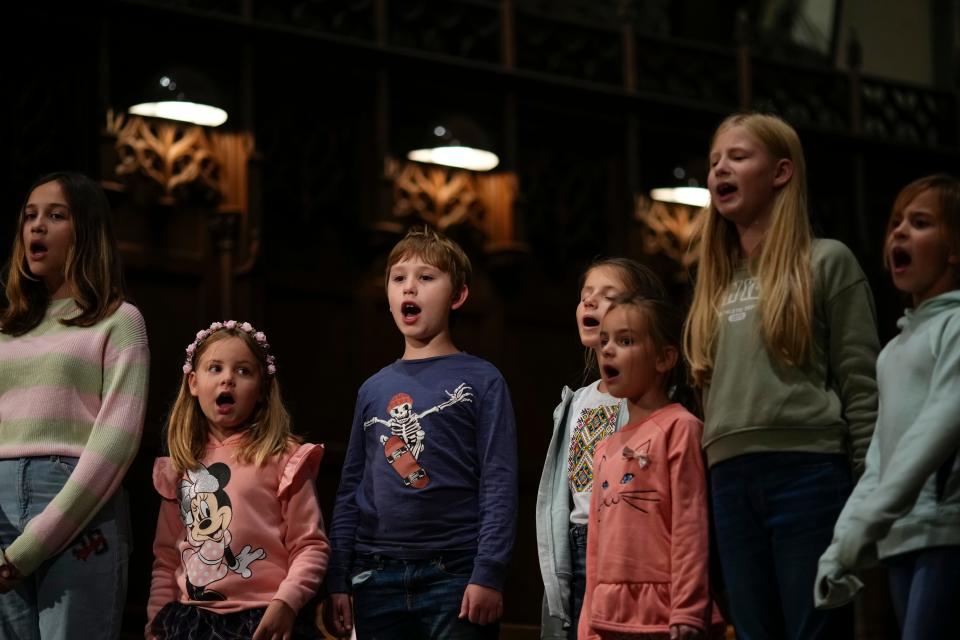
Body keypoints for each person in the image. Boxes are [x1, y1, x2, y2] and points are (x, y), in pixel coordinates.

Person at [682, 113, 879, 640]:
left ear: (781, 172)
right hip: (729, 479)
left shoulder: (826, 261)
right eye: (714, 161)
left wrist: (866, 492)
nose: (720, 169)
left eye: (738, 157)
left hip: (809, 472)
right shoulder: (716, 281)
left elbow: (861, 387)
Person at [325, 226, 518, 639]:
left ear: (458, 295)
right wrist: (338, 576)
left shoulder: (482, 380)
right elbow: (351, 488)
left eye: (426, 278)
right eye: (399, 278)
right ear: (390, 296)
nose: (410, 286)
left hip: (455, 572)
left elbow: (499, 481)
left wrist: (489, 572)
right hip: (376, 573)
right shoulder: (373, 389)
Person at [0, 172, 149, 639]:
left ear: (85, 231)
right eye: (30, 217)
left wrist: (39, 540)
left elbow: (116, 441)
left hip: (75, 501)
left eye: (55, 216)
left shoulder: (119, 321)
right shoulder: (8, 327)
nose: (36, 228)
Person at [815, 174, 960, 640]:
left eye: (920, 223)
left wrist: (868, 523)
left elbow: (937, 426)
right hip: (902, 536)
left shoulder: (955, 326)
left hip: (948, 532)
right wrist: (840, 548)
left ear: (955, 247)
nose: (898, 232)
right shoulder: (893, 350)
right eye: (896, 222)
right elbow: (882, 455)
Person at [148, 320, 329, 639]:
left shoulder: (282, 456)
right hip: (192, 622)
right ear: (193, 382)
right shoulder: (181, 465)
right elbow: (166, 558)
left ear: (261, 390)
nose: (228, 379)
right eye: (215, 368)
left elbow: (310, 545)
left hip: (262, 619)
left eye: (243, 371)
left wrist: (287, 602)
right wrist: (156, 622)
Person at [579, 294, 725, 640]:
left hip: (665, 614)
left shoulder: (680, 428)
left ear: (664, 358)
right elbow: (595, 546)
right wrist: (589, 623)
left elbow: (691, 527)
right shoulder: (605, 449)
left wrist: (688, 609)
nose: (608, 350)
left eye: (625, 340)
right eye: (604, 342)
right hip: (611, 617)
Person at [536, 258, 666, 639]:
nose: (590, 304)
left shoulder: (650, 403)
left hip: (627, 549)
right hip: (577, 548)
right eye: (584, 297)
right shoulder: (575, 402)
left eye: (607, 297)